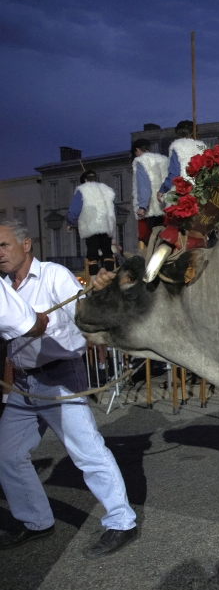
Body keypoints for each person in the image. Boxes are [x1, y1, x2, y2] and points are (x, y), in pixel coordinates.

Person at [0, 220, 138, 558]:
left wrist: (39, 327)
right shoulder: (4, 286)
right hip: (23, 383)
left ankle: (122, 521)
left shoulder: (54, 275)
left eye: (3, 245)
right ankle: (36, 520)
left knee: (86, 451)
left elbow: (81, 313)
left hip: (60, 376)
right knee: (6, 453)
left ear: (26, 244)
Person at [65, 169, 117, 276]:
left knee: (92, 253)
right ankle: (110, 273)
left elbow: (75, 209)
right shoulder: (105, 189)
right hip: (106, 226)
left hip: (91, 226)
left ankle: (93, 276)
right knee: (107, 252)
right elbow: (114, 209)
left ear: (84, 180)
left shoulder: (82, 190)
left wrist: (70, 223)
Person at [131, 138, 168, 245]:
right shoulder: (163, 160)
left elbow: (144, 185)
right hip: (165, 206)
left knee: (150, 241)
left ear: (137, 150)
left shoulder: (141, 161)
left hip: (151, 208)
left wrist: (142, 206)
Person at [157, 120, 206, 198]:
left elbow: (174, 173)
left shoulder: (177, 147)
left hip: (183, 190)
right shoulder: (202, 147)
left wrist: (163, 189)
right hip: (201, 191)